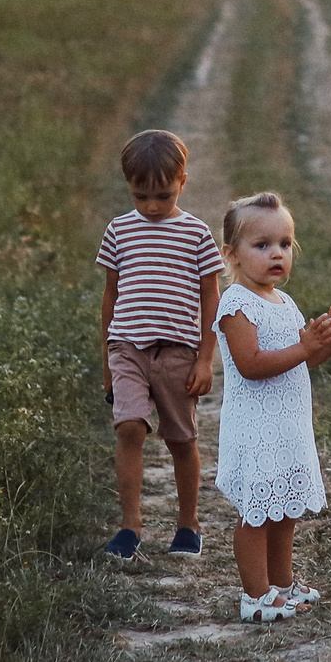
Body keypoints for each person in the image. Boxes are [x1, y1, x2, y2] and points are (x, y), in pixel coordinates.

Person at [212, 191, 331, 621]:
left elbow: (301, 362)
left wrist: (325, 346)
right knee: (256, 514)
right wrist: (304, 345)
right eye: (262, 245)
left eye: (285, 244)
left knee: (284, 508)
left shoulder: (284, 302)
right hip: (255, 428)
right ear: (231, 254)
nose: (277, 254)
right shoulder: (236, 304)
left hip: (287, 427)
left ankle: (282, 583)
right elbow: (252, 365)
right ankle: (254, 595)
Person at [96, 129, 221, 561]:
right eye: (140, 196)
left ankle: (188, 523)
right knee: (129, 426)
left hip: (178, 353)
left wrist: (206, 360)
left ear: (183, 182)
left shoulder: (196, 234)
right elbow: (110, 297)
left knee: (181, 440)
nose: (151, 207)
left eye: (163, 196)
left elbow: (211, 299)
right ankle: (130, 526)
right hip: (127, 347)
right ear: (128, 186)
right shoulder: (118, 231)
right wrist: (107, 362)